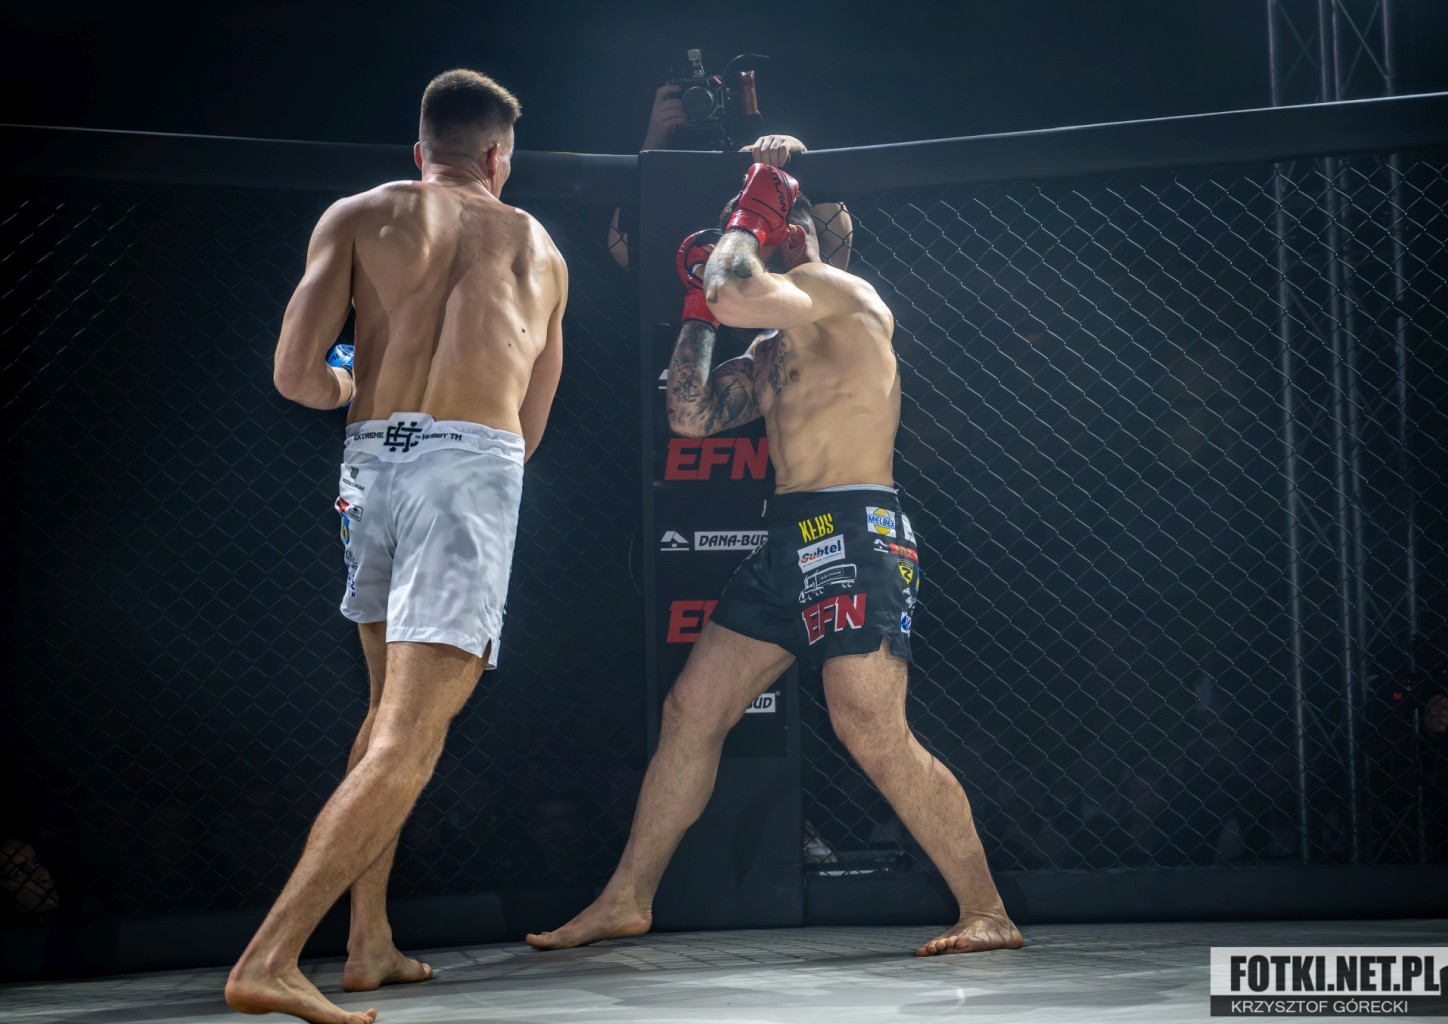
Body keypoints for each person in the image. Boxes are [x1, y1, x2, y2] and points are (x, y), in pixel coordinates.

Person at [529, 163, 1022, 958]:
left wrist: (742, 231)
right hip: (788, 538)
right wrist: (696, 306)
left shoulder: (841, 294)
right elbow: (690, 414)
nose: (750, 236)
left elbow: (733, 288)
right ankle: (625, 899)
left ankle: (987, 909)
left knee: (870, 728)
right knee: (692, 711)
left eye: (758, 224)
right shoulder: (770, 350)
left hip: (855, 528)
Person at [225, 68, 566, 1024]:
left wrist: (350, 382)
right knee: (412, 738)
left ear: (421, 151)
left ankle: (368, 941)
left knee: (384, 718)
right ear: (499, 157)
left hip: (369, 468)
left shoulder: (358, 214)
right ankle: (271, 957)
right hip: (468, 468)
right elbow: (527, 431)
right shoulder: (539, 246)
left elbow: (296, 377)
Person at [607, 83, 854, 270]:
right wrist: (653, 144)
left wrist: (798, 154)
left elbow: (839, 240)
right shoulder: (697, 263)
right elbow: (621, 247)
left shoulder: (805, 277)